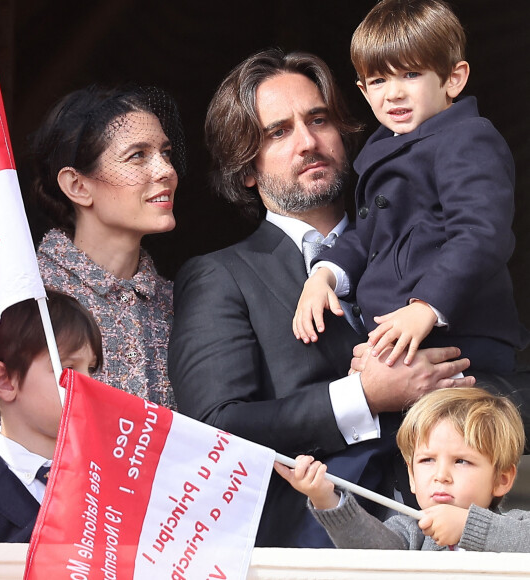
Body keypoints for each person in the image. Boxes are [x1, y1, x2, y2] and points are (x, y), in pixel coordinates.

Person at [168, 47, 474, 548]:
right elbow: (214, 428)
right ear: (246, 168)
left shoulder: (435, 241)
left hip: (457, 541)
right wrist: (363, 397)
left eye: (319, 119)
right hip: (312, 547)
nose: (308, 142)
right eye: (278, 132)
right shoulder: (220, 274)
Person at [293, 0, 528, 374]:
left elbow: (481, 234)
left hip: (462, 341)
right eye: (379, 81)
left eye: (411, 75)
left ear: (454, 78)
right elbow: (368, 240)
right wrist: (325, 275)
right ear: (363, 90)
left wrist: (426, 307)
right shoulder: (382, 146)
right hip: (400, 341)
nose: (394, 93)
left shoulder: (467, 137)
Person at [33, 84, 186, 409]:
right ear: (77, 185)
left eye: (166, 153)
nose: (167, 171)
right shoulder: (23, 301)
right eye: (138, 156)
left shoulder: (181, 305)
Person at [275, 387, 530, 551]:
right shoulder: (409, 533)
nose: (441, 476)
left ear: (502, 479)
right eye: (426, 460)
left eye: (461, 461)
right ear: (411, 475)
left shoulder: (516, 524)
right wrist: (325, 498)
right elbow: (372, 553)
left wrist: (469, 526)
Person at [0, 289, 103, 542]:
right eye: (67, 368)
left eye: (91, 369)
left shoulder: (114, 481)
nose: (87, 384)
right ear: (4, 381)